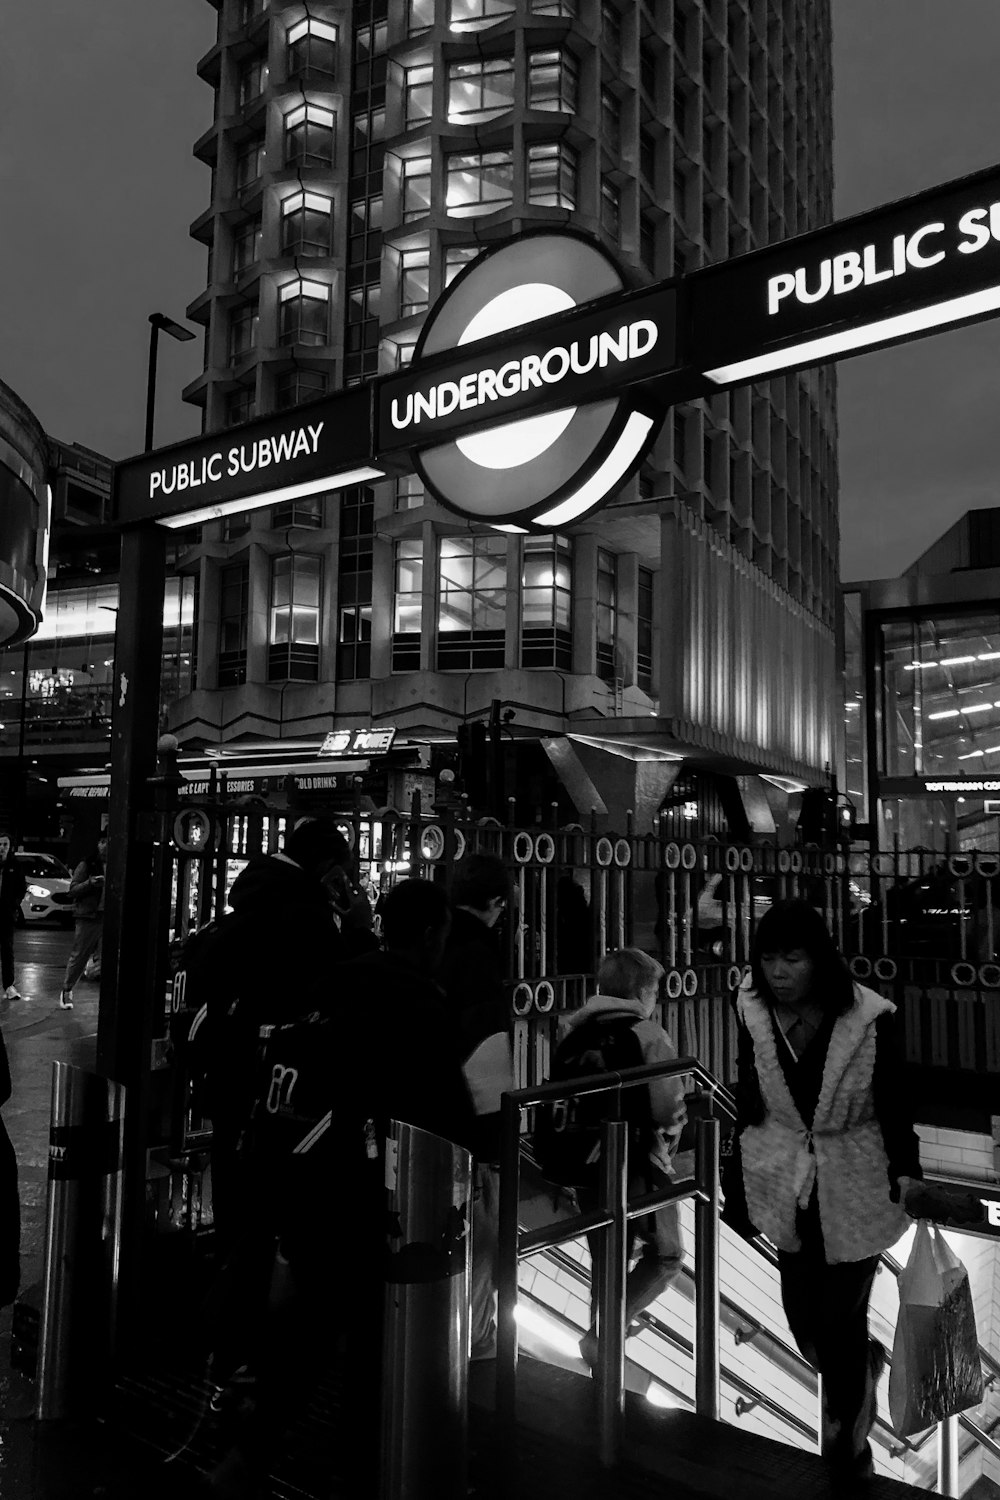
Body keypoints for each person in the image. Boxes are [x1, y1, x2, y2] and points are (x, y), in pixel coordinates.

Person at [206, 878, 473, 1500]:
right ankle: (362, 1468)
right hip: (365, 1203)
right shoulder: (418, 1006)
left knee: (307, 1332)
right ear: (432, 934)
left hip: (303, 1191)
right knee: (375, 1347)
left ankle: (250, 1454)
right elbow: (448, 1118)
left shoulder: (334, 984)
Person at [723, 899, 926, 1487]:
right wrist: (736, 1179)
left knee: (839, 1317)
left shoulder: (868, 1017)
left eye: (793, 957)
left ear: (820, 959)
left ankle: (847, 1442)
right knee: (802, 1321)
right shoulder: (754, 1010)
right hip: (787, 1180)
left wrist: (906, 1172)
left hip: (854, 1180)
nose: (778, 971)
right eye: (768, 958)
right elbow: (749, 1089)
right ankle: (860, 1372)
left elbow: (893, 1099)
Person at [564, 948, 688, 1368]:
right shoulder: (647, 1033)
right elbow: (667, 1107)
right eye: (655, 990)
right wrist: (676, 1125)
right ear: (642, 991)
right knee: (667, 1254)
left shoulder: (575, 1033)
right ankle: (604, 1335)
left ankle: (602, 1351)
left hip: (583, 1161)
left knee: (608, 1258)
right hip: (638, 1163)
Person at [438, 852, 513, 1362]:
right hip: (473, 1120)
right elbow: (485, 1047)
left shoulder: (434, 943)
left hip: (426, 1112)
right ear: (497, 903)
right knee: (481, 1231)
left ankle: (435, 1331)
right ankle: (474, 1341)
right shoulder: (482, 955)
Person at [60, 832, 107, 1009]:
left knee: (108, 956)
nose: (104, 846)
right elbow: (72, 890)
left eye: (107, 842)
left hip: (107, 916)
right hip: (88, 916)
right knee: (79, 955)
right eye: (101, 842)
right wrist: (90, 883)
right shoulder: (88, 864)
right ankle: (67, 989)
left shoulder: (118, 864)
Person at [0, 836, 26, 1000]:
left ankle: (9, 986)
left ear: (10, 846)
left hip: (6, 914)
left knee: (7, 950)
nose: (1, 847)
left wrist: (13, 905)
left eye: (5, 844)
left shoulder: (14, 865)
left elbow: (21, 888)